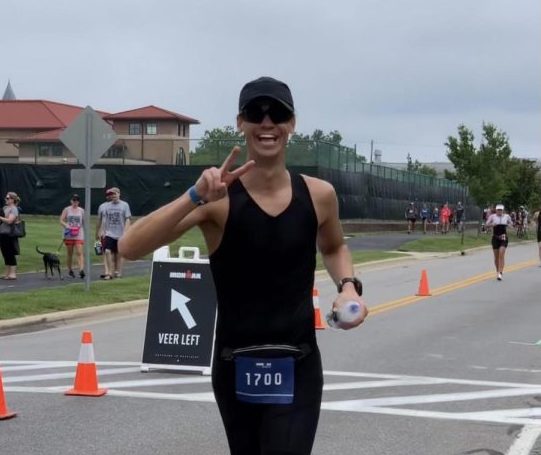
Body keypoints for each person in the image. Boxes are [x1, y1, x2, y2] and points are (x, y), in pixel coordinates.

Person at [118, 76, 368, 455]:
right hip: (236, 362)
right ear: (240, 122)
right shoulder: (216, 200)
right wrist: (194, 196)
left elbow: (333, 247)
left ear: (292, 124)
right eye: (256, 113)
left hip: (297, 361)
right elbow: (129, 247)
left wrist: (348, 286)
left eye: (278, 114)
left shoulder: (319, 195)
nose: (267, 123)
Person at [96, 187, 131, 280]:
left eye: (115, 194)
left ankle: (118, 271)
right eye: (112, 194)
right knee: (107, 251)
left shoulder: (124, 205)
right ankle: (109, 272)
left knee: (119, 253)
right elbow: (104, 220)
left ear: (119, 194)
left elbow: (127, 219)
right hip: (109, 233)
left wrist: (126, 231)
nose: (113, 196)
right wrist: (102, 231)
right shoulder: (107, 206)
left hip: (120, 233)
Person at [59, 194, 85, 278]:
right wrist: (66, 225)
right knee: (70, 253)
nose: (75, 202)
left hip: (78, 233)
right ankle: (70, 269)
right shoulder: (67, 209)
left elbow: (84, 222)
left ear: (78, 202)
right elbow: (61, 220)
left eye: (77, 201)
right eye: (74, 200)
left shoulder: (81, 210)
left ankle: (81, 269)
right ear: (71, 201)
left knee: (79, 252)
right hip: (69, 233)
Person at [485, 204, 513, 280]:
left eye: (501, 210)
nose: (499, 211)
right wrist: (491, 224)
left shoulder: (506, 216)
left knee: (501, 253)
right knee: (496, 256)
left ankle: (500, 272)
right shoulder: (492, 216)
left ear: (503, 210)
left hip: (503, 237)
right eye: (498, 210)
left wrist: (509, 225)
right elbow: (486, 224)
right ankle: (498, 271)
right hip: (495, 237)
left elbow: (511, 223)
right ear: (496, 210)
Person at [0, 192, 21, 280]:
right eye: (6, 198)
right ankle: (7, 273)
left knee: (10, 253)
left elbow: (10, 221)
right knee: (5, 253)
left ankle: (13, 273)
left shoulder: (14, 209)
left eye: (8, 198)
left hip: (10, 234)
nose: (6, 199)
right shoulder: (5, 208)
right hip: (2, 233)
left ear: (12, 200)